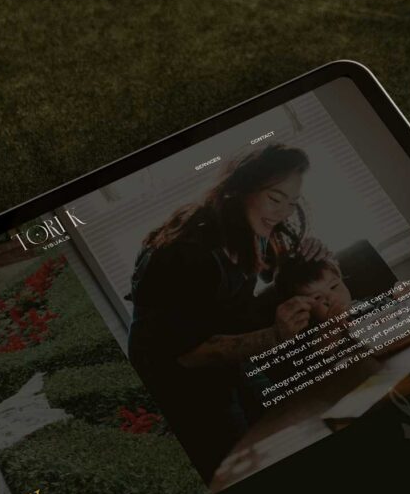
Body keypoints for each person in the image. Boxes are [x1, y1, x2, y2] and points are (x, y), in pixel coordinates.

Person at [126, 144, 331, 476]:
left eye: (290, 203)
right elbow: (189, 354)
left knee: (290, 422)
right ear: (239, 189)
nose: (282, 213)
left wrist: (304, 253)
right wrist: (276, 335)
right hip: (180, 381)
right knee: (240, 466)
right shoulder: (188, 254)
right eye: (275, 199)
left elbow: (269, 266)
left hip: (227, 356)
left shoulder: (256, 224)